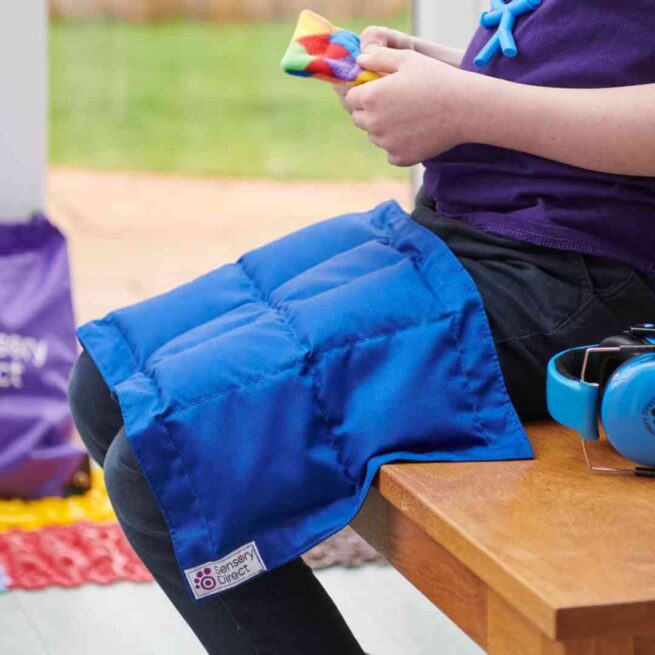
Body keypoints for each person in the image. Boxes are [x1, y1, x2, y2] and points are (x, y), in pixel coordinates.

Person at [69, 5, 655, 653]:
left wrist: (467, 106)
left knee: (166, 465)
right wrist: (437, 74)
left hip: (567, 277)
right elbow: (598, 66)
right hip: (454, 232)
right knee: (105, 383)